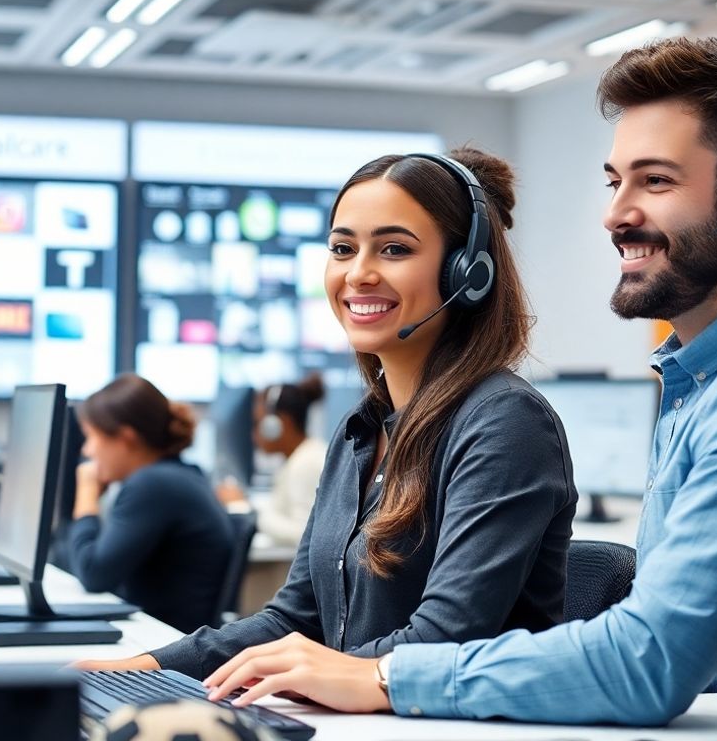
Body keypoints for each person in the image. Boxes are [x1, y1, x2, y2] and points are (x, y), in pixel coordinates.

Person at [197, 38, 717, 724]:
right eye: (615, 181)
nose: (614, 214)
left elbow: (644, 663)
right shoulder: (708, 381)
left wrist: (381, 674)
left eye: (655, 181)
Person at [79, 146, 579, 679]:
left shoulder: (503, 423)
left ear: (466, 272)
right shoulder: (359, 431)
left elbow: (446, 639)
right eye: (342, 249)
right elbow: (294, 617)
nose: (358, 274)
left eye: (393, 249)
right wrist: (143, 666)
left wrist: (309, 674)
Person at [67, 374, 236, 634]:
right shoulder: (176, 475)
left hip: (164, 645)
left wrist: (86, 495)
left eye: (91, 437)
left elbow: (93, 574)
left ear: (125, 438)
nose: (87, 451)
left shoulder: (153, 485)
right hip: (165, 635)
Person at [215, 374, 328, 547]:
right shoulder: (300, 458)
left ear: (279, 423)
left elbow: (304, 534)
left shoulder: (306, 463)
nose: (253, 434)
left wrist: (244, 509)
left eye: (257, 422)